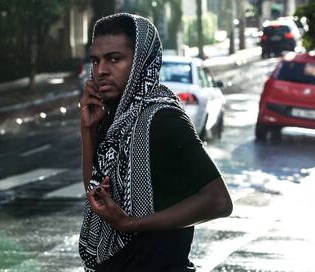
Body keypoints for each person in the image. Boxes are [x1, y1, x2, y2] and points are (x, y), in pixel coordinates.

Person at [78, 13, 233, 272]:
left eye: (114, 59)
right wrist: (88, 130)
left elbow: (218, 201)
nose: (101, 71)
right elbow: (95, 193)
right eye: (96, 61)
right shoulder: (115, 117)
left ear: (140, 61)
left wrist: (130, 225)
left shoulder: (163, 119)